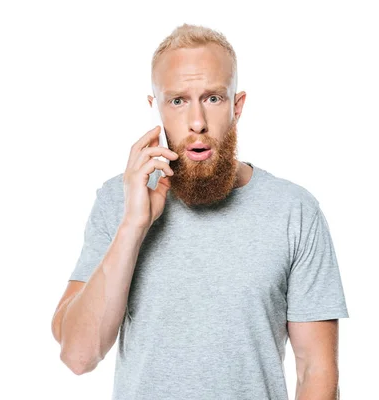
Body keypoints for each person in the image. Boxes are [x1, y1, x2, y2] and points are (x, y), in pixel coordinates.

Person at [50, 23, 349, 400]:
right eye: (177, 101)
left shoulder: (294, 211)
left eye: (212, 98)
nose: (197, 122)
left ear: (237, 106)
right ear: (155, 107)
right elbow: (78, 356)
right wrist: (133, 225)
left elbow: (316, 370)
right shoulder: (118, 201)